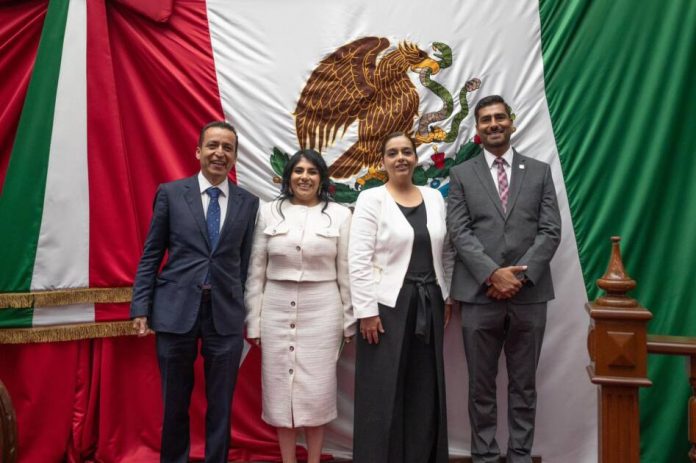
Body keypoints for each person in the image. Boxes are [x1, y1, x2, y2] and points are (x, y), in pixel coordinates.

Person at [130, 121, 259, 463]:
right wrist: (140, 307)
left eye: (228, 148)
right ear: (198, 151)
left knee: (222, 404)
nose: (220, 153)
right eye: (213, 145)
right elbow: (151, 255)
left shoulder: (248, 203)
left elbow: (244, 261)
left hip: (225, 315)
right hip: (175, 311)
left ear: (234, 157)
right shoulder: (171, 194)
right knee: (174, 402)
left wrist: (239, 303)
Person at [446, 95, 561, 463]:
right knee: (480, 386)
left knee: (524, 386)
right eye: (486, 119)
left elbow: (550, 231)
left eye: (499, 117)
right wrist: (492, 275)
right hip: (479, 297)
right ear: (477, 129)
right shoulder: (461, 175)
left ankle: (520, 455)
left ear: (511, 121)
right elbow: (459, 231)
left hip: (529, 296)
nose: (493, 124)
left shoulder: (539, 171)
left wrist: (517, 278)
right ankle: (484, 456)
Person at [244, 149, 355, 463]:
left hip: (323, 312)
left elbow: (346, 272)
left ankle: (314, 458)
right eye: (298, 171)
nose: (304, 177)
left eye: (312, 172)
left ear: (321, 178)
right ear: (288, 176)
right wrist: (254, 321)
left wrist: (350, 321)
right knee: (280, 391)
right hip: (276, 310)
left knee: (317, 392)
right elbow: (256, 271)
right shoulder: (269, 212)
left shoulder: (340, 215)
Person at [349, 132, 453, 463]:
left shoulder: (434, 198)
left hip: (429, 301)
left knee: (425, 388)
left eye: (406, 152)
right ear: (383, 161)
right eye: (392, 153)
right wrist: (366, 311)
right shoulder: (371, 198)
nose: (400, 158)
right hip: (385, 308)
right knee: (382, 389)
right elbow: (358, 259)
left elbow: (446, 252)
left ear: (416, 158)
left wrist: (446, 297)